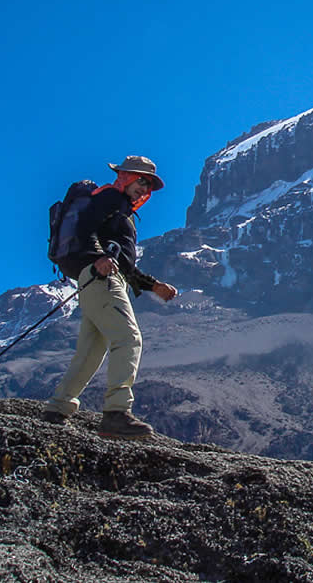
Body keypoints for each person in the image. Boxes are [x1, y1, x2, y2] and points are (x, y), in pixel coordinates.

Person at [43, 156, 178, 439]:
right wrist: (99, 256)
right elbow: (85, 229)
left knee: (92, 349)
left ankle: (57, 409)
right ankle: (116, 413)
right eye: (141, 180)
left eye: (149, 184)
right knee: (129, 338)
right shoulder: (110, 198)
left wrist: (153, 286)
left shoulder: (121, 210)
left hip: (95, 278)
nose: (145, 188)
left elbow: (124, 263)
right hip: (101, 278)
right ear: (125, 176)